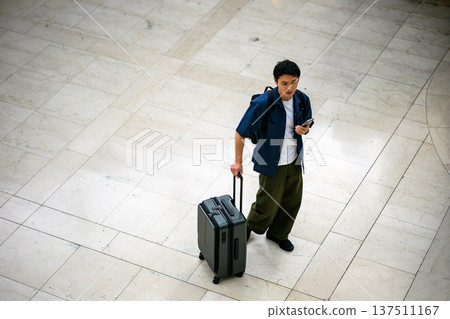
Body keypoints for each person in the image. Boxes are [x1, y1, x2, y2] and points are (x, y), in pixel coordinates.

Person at [230, 60, 313, 252]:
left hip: (294, 160)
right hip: (270, 161)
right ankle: (249, 227)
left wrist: (304, 130)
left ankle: (278, 234)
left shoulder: (302, 100)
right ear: (275, 81)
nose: (290, 87)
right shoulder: (263, 103)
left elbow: (308, 123)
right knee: (267, 203)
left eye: (294, 82)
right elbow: (240, 132)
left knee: (292, 201)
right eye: (284, 83)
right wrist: (237, 162)